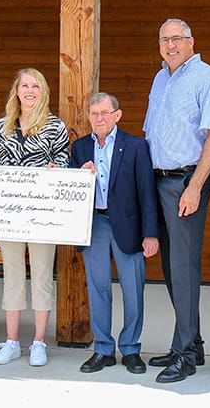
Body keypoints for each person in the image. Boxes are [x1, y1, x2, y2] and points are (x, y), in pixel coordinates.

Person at [143, 18, 210, 384]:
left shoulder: (207, 78)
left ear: (192, 41)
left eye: (177, 39)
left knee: (184, 267)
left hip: (185, 182)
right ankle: (191, 341)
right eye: (165, 39)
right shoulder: (161, 78)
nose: (171, 45)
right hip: (157, 181)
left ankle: (185, 354)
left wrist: (195, 185)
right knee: (170, 265)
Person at [70, 92, 159, 375]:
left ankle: (131, 348)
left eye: (105, 113)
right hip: (94, 224)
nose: (99, 119)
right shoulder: (81, 147)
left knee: (133, 289)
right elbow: (71, 188)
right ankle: (103, 349)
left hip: (129, 226)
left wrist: (150, 233)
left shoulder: (135, 146)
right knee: (98, 289)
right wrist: (81, 175)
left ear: (117, 115)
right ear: (88, 117)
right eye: (94, 114)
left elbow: (147, 192)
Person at [0, 68, 70, 367]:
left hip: (41, 216)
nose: (30, 91)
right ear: (17, 90)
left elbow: (63, 162)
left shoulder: (55, 126)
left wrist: (55, 170)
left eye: (36, 85)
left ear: (43, 91)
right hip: (9, 216)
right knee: (12, 276)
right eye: (25, 85)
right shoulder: (2, 126)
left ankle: (37, 342)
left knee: (43, 276)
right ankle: (11, 342)